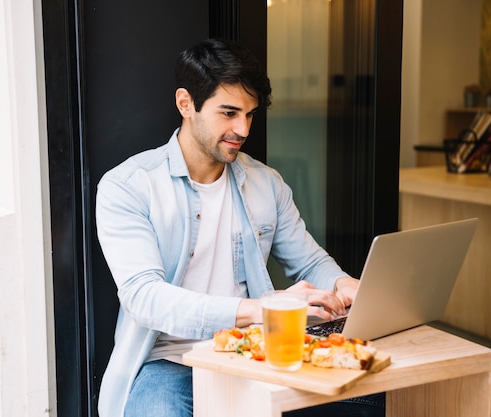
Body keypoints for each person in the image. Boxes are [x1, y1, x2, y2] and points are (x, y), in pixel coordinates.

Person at [95, 38, 384, 417]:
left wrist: (344, 284)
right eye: (229, 113)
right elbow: (145, 298)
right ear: (186, 104)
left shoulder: (267, 183)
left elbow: (310, 263)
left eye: (250, 114)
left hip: (257, 352)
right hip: (172, 360)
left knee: (381, 396)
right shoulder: (128, 186)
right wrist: (265, 308)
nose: (243, 128)